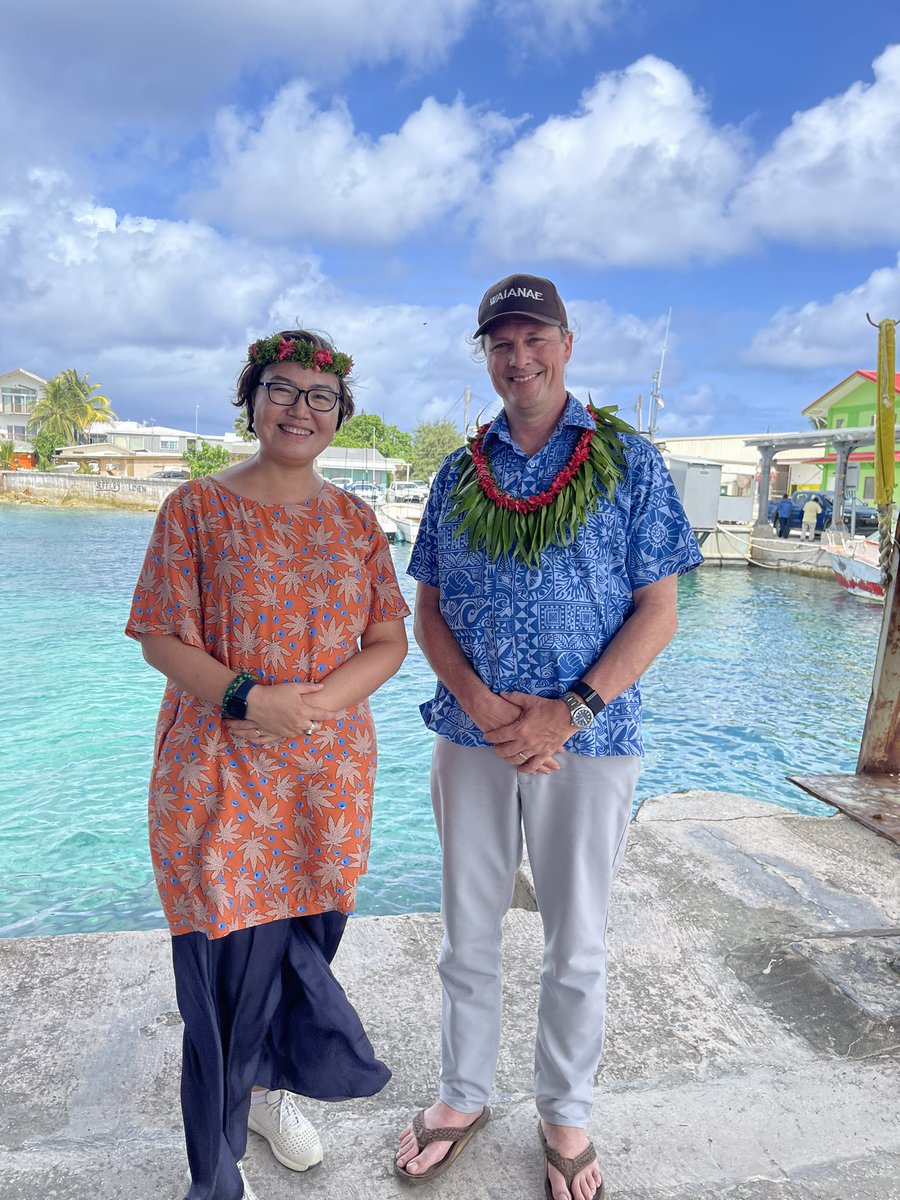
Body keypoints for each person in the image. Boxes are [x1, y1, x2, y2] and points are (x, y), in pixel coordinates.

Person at [394, 274, 703, 1200]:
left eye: (534, 338)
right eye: (500, 343)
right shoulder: (459, 470)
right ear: (485, 354)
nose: (518, 358)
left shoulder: (630, 462)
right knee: (467, 932)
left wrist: (569, 709)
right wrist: (486, 708)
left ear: (566, 344)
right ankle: (461, 1095)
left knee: (578, 941)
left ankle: (564, 1111)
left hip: (590, 741)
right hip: (471, 734)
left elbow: (658, 611)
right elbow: (429, 613)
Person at [126, 328, 409, 1200]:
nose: (300, 409)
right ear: (251, 402)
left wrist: (312, 707)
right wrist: (249, 700)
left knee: (302, 952)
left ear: (339, 416)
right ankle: (214, 1169)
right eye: (281, 390)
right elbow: (161, 636)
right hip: (217, 779)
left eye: (320, 397)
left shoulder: (356, 521)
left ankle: (266, 1093)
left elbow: (388, 640)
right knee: (219, 972)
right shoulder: (195, 510)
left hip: (325, 782)